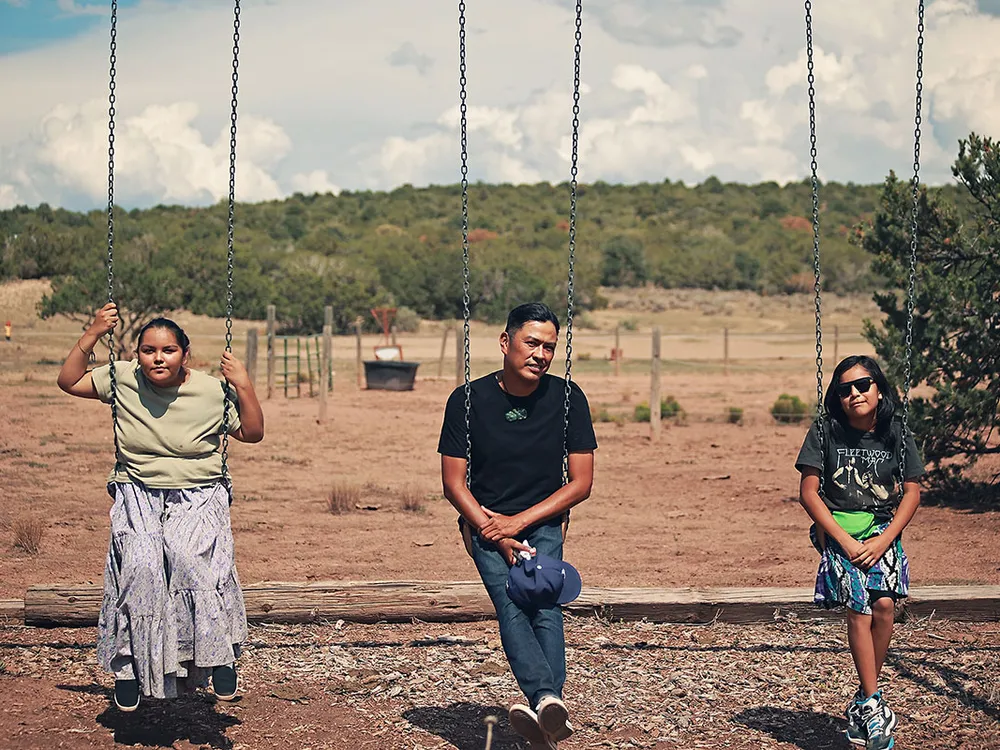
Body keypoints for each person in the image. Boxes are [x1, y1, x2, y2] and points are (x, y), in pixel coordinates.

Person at [57, 302, 264, 711]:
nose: (157, 358)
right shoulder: (121, 379)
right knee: (140, 567)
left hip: (200, 491)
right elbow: (68, 381)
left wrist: (243, 384)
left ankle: (218, 657)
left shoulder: (210, 390)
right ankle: (129, 668)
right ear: (137, 354)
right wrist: (94, 332)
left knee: (190, 559)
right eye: (148, 350)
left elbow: (252, 433)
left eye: (168, 350)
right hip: (137, 490)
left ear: (185, 354)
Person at [438, 302, 597, 750]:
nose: (540, 354)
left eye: (549, 347)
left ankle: (546, 708)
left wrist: (521, 524)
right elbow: (454, 483)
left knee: (544, 604)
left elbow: (581, 482)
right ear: (506, 343)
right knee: (512, 604)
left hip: (543, 520)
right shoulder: (467, 400)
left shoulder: (568, 399)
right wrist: (496, 530)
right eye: (531, 343)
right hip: (483, 521)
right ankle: (548, 700)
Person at [795, 355, 923, 750]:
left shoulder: (895, 433)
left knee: (885, 605)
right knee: (860, 607)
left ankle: (864, 698)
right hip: (839, 532)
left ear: (879, 388)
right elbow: (808, 493)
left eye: (863, 385)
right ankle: (872, 703)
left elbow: (913, 491)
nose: (854, 394)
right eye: (844, 389)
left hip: (882, 530)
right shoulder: (825, 431)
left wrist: (884, 541)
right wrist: (844, 541)